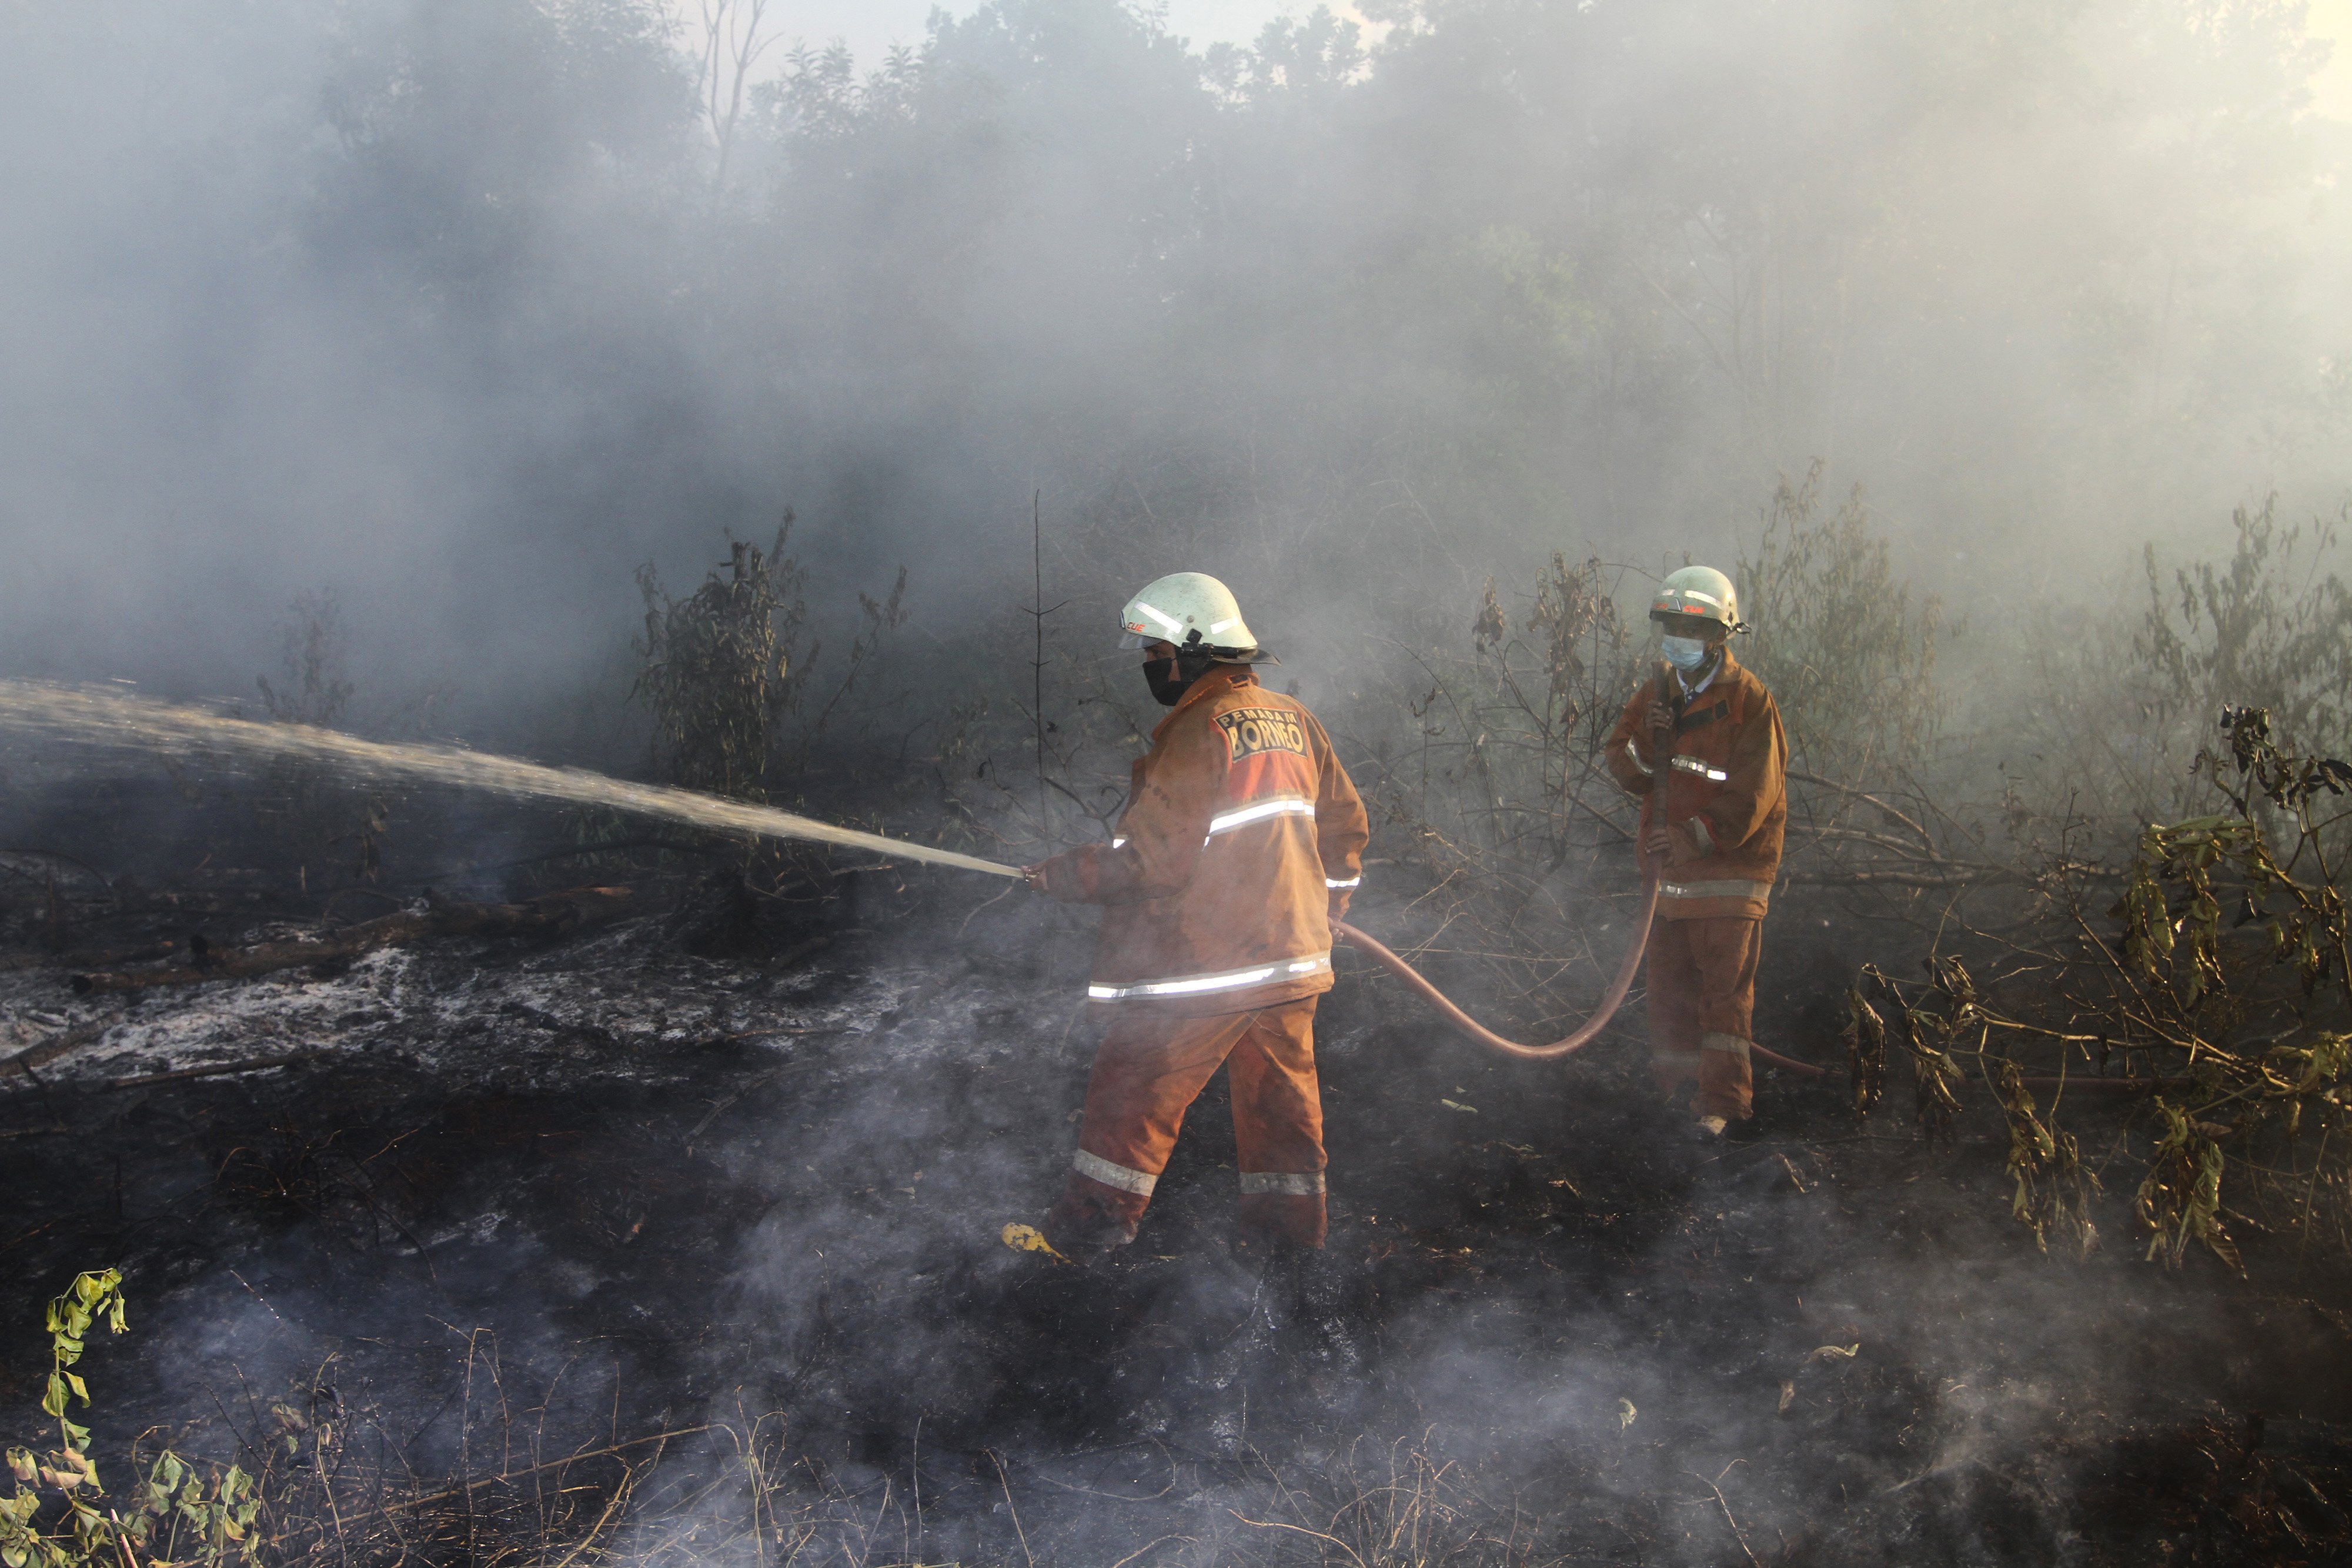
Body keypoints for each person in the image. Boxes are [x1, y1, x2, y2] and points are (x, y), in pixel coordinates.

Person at [1024, 571, 1369, 1258]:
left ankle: (1083, 1239)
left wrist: (1068, 874)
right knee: (1282, 1114)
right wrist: (1326, 908)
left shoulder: (1198, 731)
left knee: (1130, 1090)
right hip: (1291, 962)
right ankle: (1289, 1251)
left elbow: (1152, 862)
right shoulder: (1295, 720)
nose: (1150, 667)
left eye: (1155, 654)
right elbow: (1346, 827)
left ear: (1191, 649)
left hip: (1208, 968)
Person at [1602, 566, 1788, 1138]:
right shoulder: (1657, 689)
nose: (1676, 637)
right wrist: (1650, 741)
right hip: (1668, 883)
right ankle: (1675, 1097)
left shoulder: (1749, 701)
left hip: (1727, 880)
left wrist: (1689, 838)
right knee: (1668, 995)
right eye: (1670, 625)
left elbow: (1753, 795)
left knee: (1721, 1004)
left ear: (1719, 636)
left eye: (1690, 628)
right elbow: (1624, 768)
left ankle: (1721, 1109)